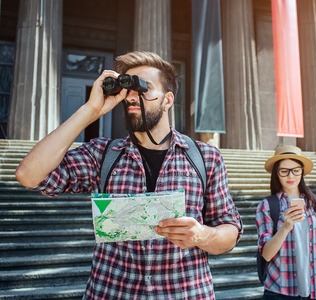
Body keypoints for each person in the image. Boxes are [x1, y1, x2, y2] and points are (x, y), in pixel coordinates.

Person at [15, 51, 243, 299]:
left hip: (185, 293)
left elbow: (230, 232)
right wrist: (90, 110)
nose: (133, 96)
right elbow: (29, 175)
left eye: (143, 88)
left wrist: (203, 235)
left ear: (168, 100)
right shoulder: (103, 154)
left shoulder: (206, 157)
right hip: (112, 292)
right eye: (128, 89)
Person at [256, 145, 316, 300]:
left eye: (296, 170)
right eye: (284, 170)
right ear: (276, 173)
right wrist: (285, 228)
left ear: (302, 171)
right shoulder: (267, 206)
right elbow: (266, 254)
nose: (290, 175)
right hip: (280, 292)